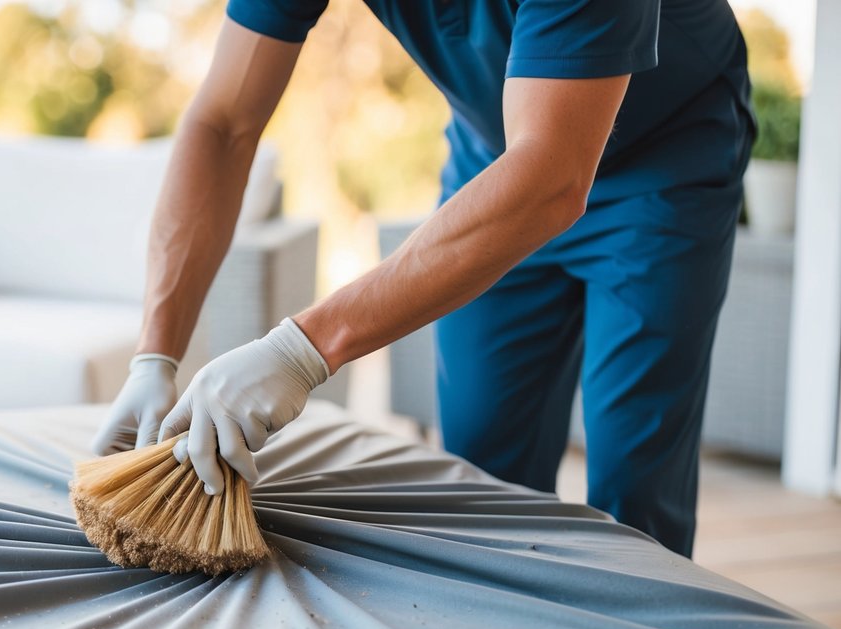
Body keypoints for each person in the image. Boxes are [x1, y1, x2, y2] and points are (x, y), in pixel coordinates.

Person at [92, 0, 754, 558]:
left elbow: (552, 175)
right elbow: (222, 124)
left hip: (661, 160)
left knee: (633, 483)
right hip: (495, 154)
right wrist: (155, 355)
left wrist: (299, 350)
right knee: (479, 465)